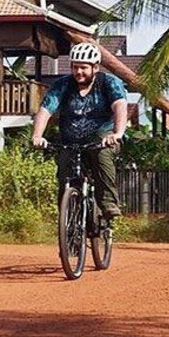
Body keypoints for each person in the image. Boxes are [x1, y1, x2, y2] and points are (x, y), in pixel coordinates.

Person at [31, 42, 127, 218]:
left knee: (103, 155)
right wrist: (37, 136)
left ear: (95, 67)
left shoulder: (109, 83)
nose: (78, 72)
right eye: (75, 67)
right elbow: (45, 110)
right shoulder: (63, 85)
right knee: (64, 172)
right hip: (70, 140)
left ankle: (108, 203)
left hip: (102, 137)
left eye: (83, 68)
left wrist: (117, 133)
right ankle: (67, 217)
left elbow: (120, 106)